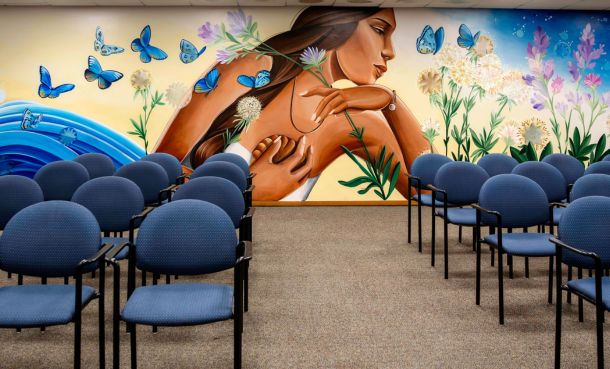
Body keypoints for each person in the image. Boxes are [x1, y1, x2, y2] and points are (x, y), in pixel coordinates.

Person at [155, 7, 429, 201]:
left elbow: (428, 192)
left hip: (281, 258)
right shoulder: (253, 67)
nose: (390, 52)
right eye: (380, 30)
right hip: (198, 235)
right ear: (339, 24)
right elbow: (160, 174)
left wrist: (392, 102)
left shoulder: (355, 124)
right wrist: (250, 193)